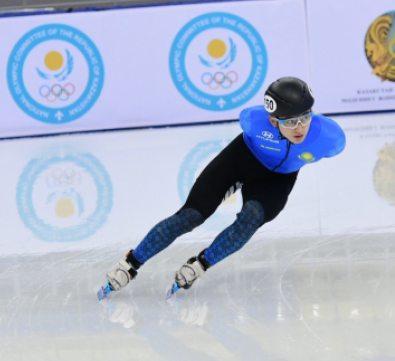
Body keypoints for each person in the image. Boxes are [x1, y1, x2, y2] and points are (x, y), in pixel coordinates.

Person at [98, 77, 346, 299]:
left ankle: (200, 265)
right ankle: (129, 265)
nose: (300, 128)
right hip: (240, 160)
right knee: (191, 216)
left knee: (252, 218)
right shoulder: (253, 121)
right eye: (290, 122)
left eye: (305, 118)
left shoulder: (329, 137)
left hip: (276, 180)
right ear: (272, 119)